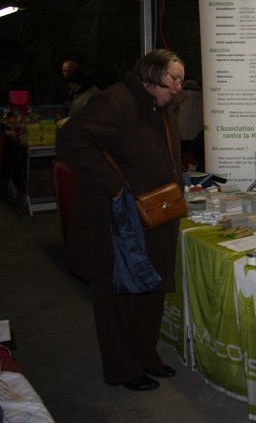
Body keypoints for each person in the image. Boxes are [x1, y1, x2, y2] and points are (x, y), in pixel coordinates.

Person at [56, 49, 185, 392]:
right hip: (118, 223)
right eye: (173, 79)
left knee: (152, 291)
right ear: (150, 75)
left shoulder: (159, 106)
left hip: (155, 217)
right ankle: (123, 368)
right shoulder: (115, 101)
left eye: (180, 80)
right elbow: (71, 140)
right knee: (118, 298)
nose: (178, 87)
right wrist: (114, 187)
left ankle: (146, 357)